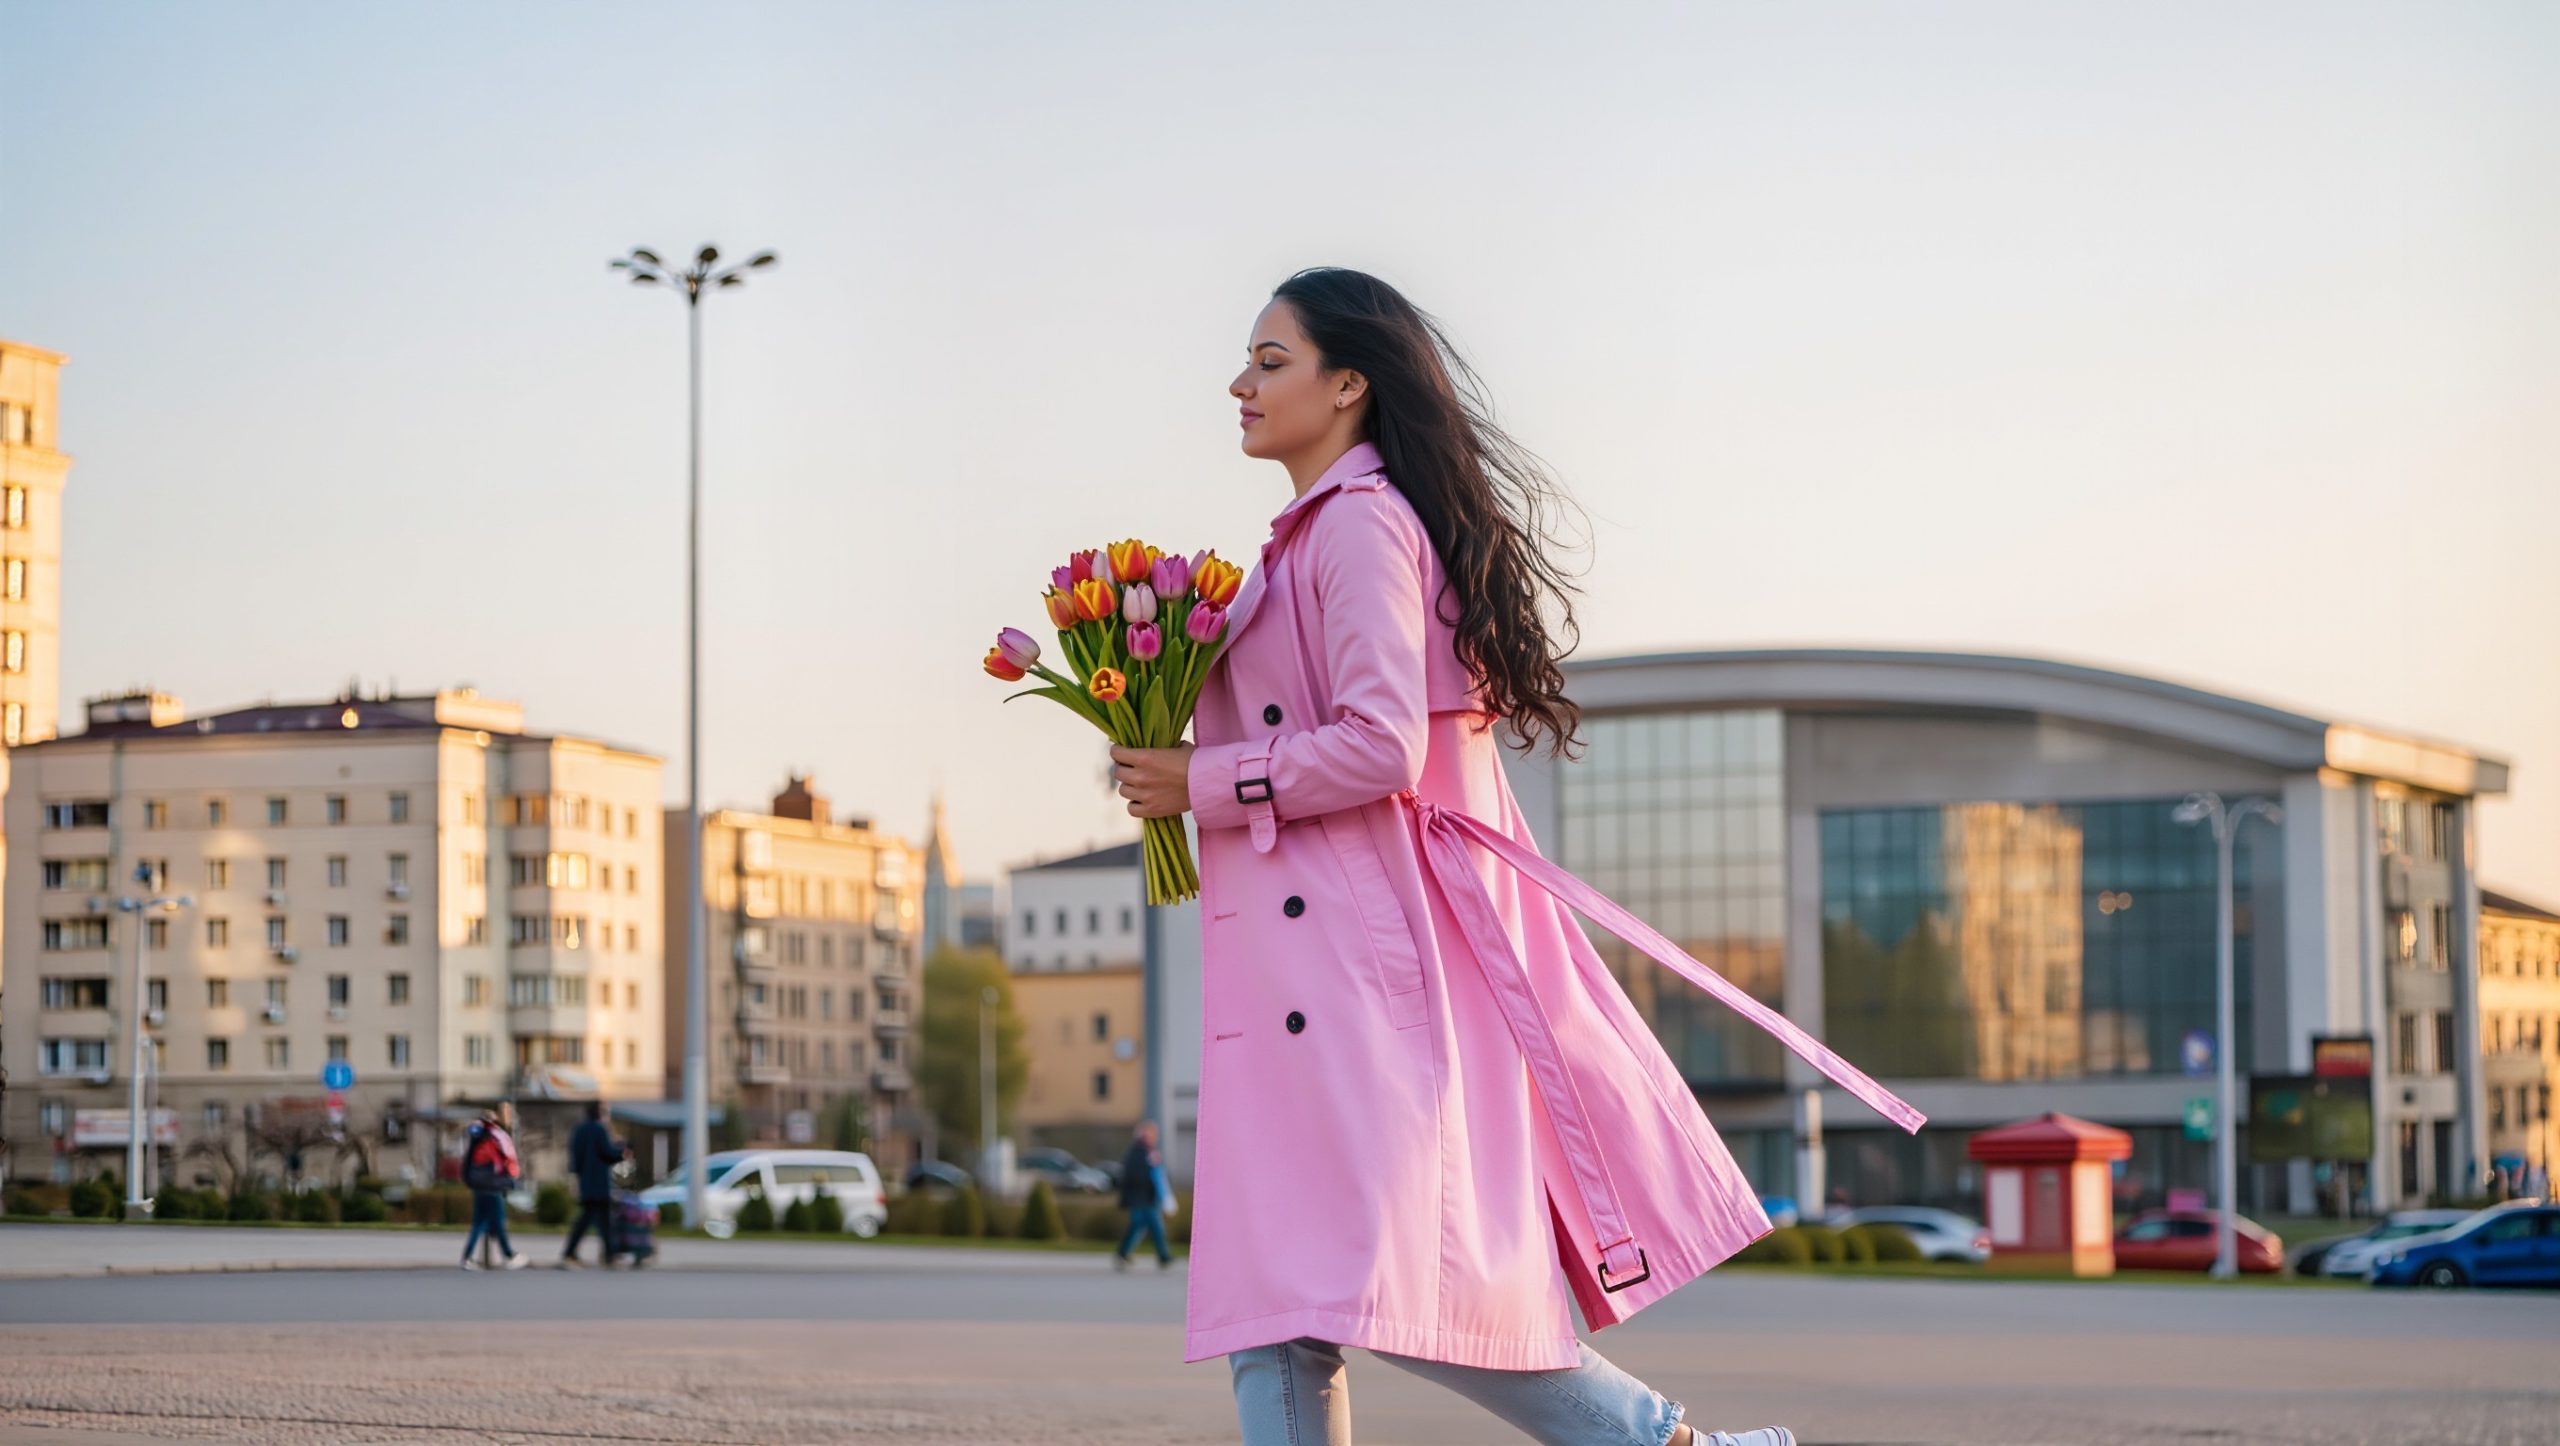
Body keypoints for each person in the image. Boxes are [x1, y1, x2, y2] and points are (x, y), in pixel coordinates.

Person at [1106, 269, 1923, 1446]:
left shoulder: (1360, 524)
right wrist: (1172, 755)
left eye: (1269, 360)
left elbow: (1380, 748)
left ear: (1348, 384)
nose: (1239, 383)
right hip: (1302, 972)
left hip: (1351, 975)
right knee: (1282, 1310)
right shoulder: (1303, 542)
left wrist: (1205, 782)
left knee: (1380, 1286)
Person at [459, 1101, 528, 1270]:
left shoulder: (481, 1134)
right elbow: (506, 1161)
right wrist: (511, 1179)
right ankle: (508, 1255)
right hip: (492, 1184)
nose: (508, 1115)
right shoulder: (496, 1136)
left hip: (480, 1183)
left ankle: (469, 1258)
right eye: (505, 1111)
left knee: (481, 1223)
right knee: (495, 1222)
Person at [560, 1100, 628, 1268]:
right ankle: (604, 1255)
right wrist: (622, 1153)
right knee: (600, 1220)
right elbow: (607, 1152)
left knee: (591, 1219)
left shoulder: (579, 1129)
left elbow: (575, 1156)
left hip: (585, 1181)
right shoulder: (599, 1129)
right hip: (599, 1183)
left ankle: (603, 1254)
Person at [1113, 1119, 1174, 1271]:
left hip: (1146, 1197)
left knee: (1140, 1226)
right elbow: (1137, 1176)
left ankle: (1124, 1253)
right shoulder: (1139, 1153)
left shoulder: (1147, 1152)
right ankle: (1163, 1256)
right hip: (1141, 1198)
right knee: (1152, 1226)